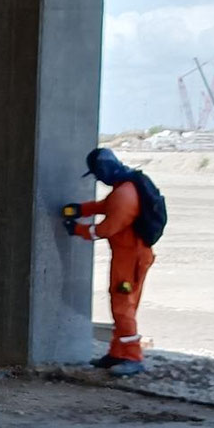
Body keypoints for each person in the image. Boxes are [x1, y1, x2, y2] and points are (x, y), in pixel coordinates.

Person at [63, 146, 165, 377]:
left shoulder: (124, 194)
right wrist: (81, 209)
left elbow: (106, 228)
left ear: (104, 170)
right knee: (122, 305)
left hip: (131, 258)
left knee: (123, 305)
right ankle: (118, 352)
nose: (99, 179)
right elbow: (105, 206)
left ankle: (132, 357)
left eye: (98, 174)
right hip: (129, 256)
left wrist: (77, 229)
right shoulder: (126, 188)